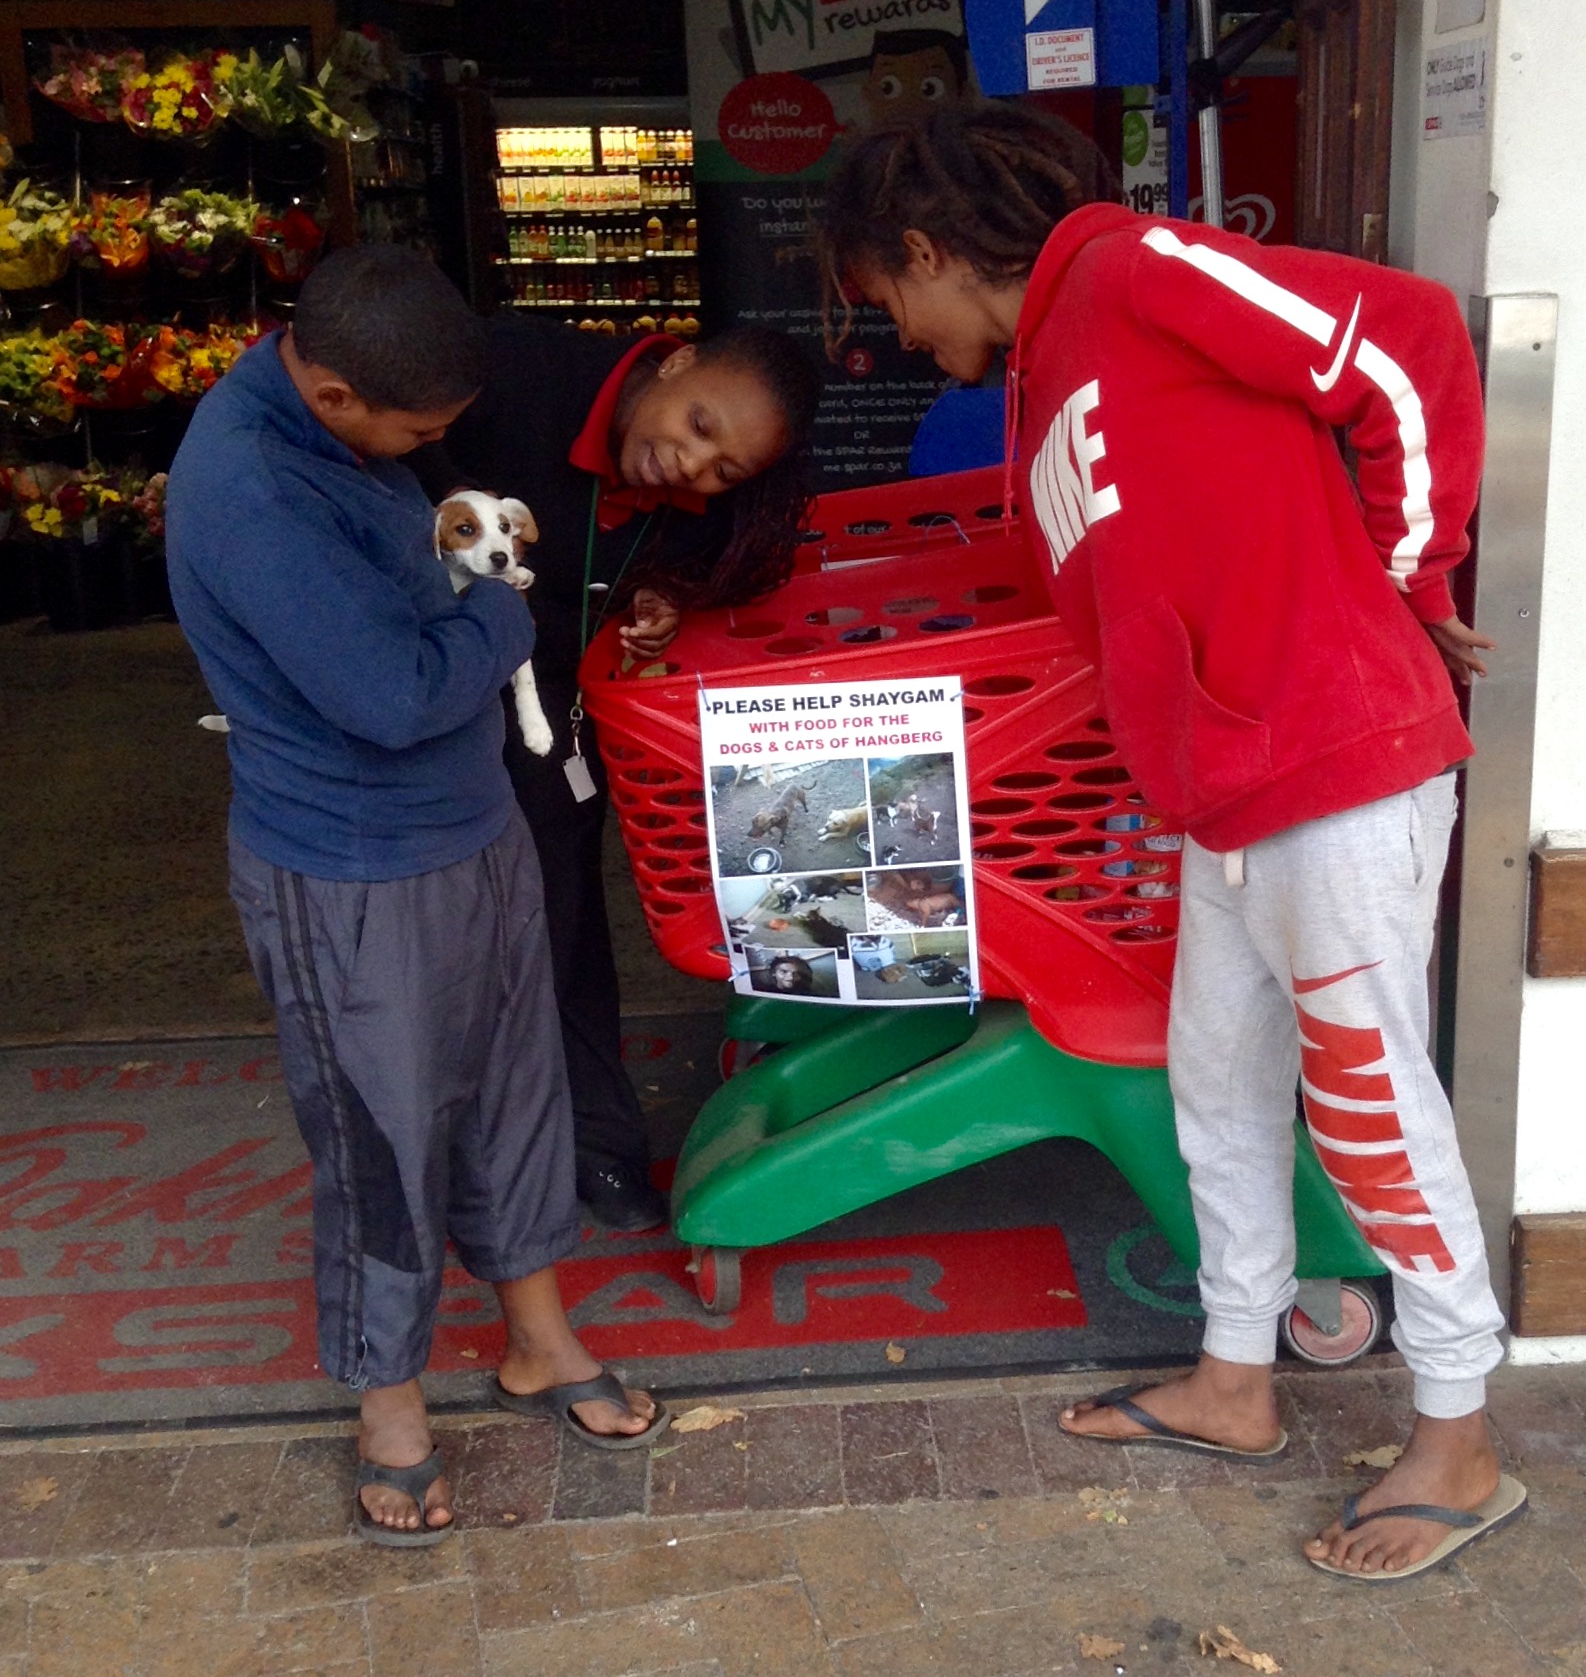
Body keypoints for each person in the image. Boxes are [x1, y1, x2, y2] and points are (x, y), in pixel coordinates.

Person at [813, 102, 1523, 1584]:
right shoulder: (1050, 365)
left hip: (1331, 750)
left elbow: (1395, 345)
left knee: (1369, 1103)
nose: (892, 330)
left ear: (932, 250)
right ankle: (1233, 1375)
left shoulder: (1132, 273)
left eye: (887, 295)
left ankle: (1457, 1435)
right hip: (1231, 791)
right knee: (1214, 1078)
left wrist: (1409, 572)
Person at [165, 247, 670, 1549]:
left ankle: (537, 1342)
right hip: (347, 867)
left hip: (472, 826)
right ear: (331, 392)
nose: (432, 454)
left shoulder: (345, 431)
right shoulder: (253, 489)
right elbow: (389, 698)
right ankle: (390, 1407)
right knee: (382, 1142)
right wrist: (509, 616)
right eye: (420, 436)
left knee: (516, 1087)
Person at [415, 315, 821, 1230]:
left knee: (558, 911)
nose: (692, 466)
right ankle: (451, 1163)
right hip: (417, 676)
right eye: (700, 427)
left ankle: (595, 1147)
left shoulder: (709, 503)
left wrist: (667, 597)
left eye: (724, 469)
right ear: (677, 359)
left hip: (548, 700)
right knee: (434, 937)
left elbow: (716, 560)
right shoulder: (509, 369)